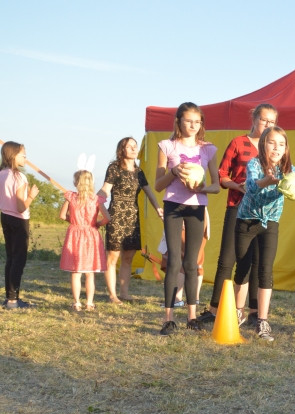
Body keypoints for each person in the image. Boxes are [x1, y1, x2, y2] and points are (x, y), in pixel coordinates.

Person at [198, 103, 277, 327]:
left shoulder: (274, 148)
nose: (268, 125)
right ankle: (215, 309)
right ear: (254, 119)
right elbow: (222, 176)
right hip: (237, 206)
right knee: (227, 259)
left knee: (256, 261)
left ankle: (252, 312)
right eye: (264, 120)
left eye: (272, 122)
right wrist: (238, 186)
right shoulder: (238, 143)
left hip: (262, 212)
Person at [233, 126, 295, 341]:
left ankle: (262, 321)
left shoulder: (290, 170)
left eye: (281, 144)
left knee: (265, 270)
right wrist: (265, 182)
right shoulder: (254, 164)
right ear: (263, 145)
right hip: (246, 221)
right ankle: (238, 311)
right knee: (242, 267)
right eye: (272, 142)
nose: (277, 147)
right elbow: (250, 187)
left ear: (286, 148)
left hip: (270, 223)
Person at [154, 102, 220, 335]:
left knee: (192, 263)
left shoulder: (207, 149)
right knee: (173, 262)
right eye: (188, 121)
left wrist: (202, 188)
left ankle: (192, 317)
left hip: (196, 207)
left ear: (201, 124)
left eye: (197, 121)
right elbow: (158, 185)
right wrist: (174, 172)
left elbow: (216, 185)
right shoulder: (167, 146)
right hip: (173, 205)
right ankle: (168, 318)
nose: (193, 125)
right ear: (178, 121)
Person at [98, 137, 162, 304]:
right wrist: (96, 200)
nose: (134, 149)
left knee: (128, 257)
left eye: (135, 146)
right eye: (130, 146)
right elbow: (106, 189)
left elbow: (149, 192)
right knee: (113, 255)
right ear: (122, 150)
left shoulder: (139, 172)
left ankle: (124, 293)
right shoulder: (114, 168)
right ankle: (112, 295)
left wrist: (158, 209)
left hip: (133, 217)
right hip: (116, 215)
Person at [59, 170, 110, 311]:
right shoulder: (96, 199)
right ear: (91, 182)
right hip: (91, 234)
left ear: (76, 183)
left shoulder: (71, 198)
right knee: (90, 272)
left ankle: (76, 303)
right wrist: (97, 224)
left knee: (76, 272)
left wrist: (74, 221)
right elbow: (107, 218)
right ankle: (89, 302)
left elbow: (62, 216)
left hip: (75, 234)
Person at [1, 142, 41, 309]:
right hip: (19, 220)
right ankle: (12, 300)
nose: (25, 157)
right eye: (22, 154)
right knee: (19, 260)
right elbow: (21, 206)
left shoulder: (1, 174)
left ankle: (9, 297)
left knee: (11, 258)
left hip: (5, 217)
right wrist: (31, 196)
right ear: (13, 156)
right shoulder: (19, 177)